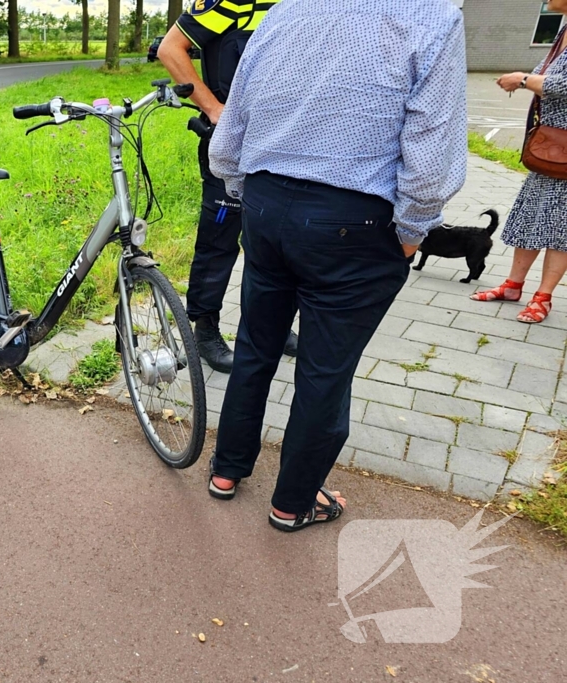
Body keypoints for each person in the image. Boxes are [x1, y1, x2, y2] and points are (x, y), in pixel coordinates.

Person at [206, 0, 467, 531]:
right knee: (325, 369)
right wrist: (414, 230)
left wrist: (239, 187)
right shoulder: (431, 16)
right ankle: (292, 502)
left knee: (256, 345)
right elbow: (432, 139)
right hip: (354, 219)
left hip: (265, 201)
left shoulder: (285, 11)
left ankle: (226, 472)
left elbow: (236, 117)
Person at [157, 0, 297, 374]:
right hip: (233, 145)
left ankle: (273, 325)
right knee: (220, 240)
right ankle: (205, 331)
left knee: (275, 238)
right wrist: (213, 108)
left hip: (284, 142)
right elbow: (171, 48)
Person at [470, 11, 567, 324]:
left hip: (563, 147)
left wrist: (523, 80)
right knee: (530, 216)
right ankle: (513, 285)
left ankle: (544, 298)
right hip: (549, 146)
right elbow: (548, 79)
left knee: (560, 227)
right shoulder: (562, 31)